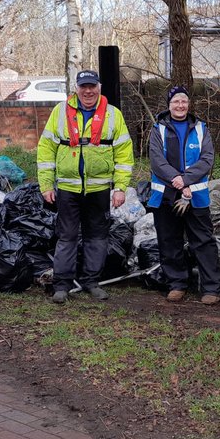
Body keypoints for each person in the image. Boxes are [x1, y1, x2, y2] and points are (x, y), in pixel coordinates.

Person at [37, 70, 134, 304]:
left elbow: (124, 153)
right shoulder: (60, 112)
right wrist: (46, 184)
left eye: (92, 86)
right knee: (66, 237)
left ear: (99, 87)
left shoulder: (113, 115)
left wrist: (120, 187)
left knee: (97, 238)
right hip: (68, 188)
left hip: (99, 189)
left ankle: (92, 281)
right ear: (76, 89)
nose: (88, 91)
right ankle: (62, 285)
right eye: (83, 87)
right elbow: (46, 149)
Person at [147, 86, 220, 304]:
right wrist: (178, 182)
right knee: (169, 241)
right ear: (168, 105)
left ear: (189, 105)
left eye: (183, 101)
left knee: (203, 241)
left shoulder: (201, 129)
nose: (180, 105)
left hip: (196, 197)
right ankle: (177, 284)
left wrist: (186, 180)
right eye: (175, 102)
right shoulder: (158, 129)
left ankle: (212, 288)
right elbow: (156, 161)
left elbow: (207, 158)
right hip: (166, 196)